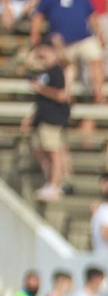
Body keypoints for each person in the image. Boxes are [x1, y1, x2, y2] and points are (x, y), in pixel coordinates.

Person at [32, 0, 106, 105]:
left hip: (83, 38)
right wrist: (35, 36)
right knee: (66, 66)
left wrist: (99, 33)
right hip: (60, 41)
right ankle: (66, 97)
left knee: (96, 57)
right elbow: (38, 15)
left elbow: (91, 14)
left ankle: (99, 95)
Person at [23, 42, 71, 202]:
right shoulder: (45, 72)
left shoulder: (56, 71)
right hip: (43, 117)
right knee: (40, 149)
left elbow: (61, 95)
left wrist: (40, 88)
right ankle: (51, 180)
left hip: (52, 118)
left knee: (54, 152)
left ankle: (55, 184)